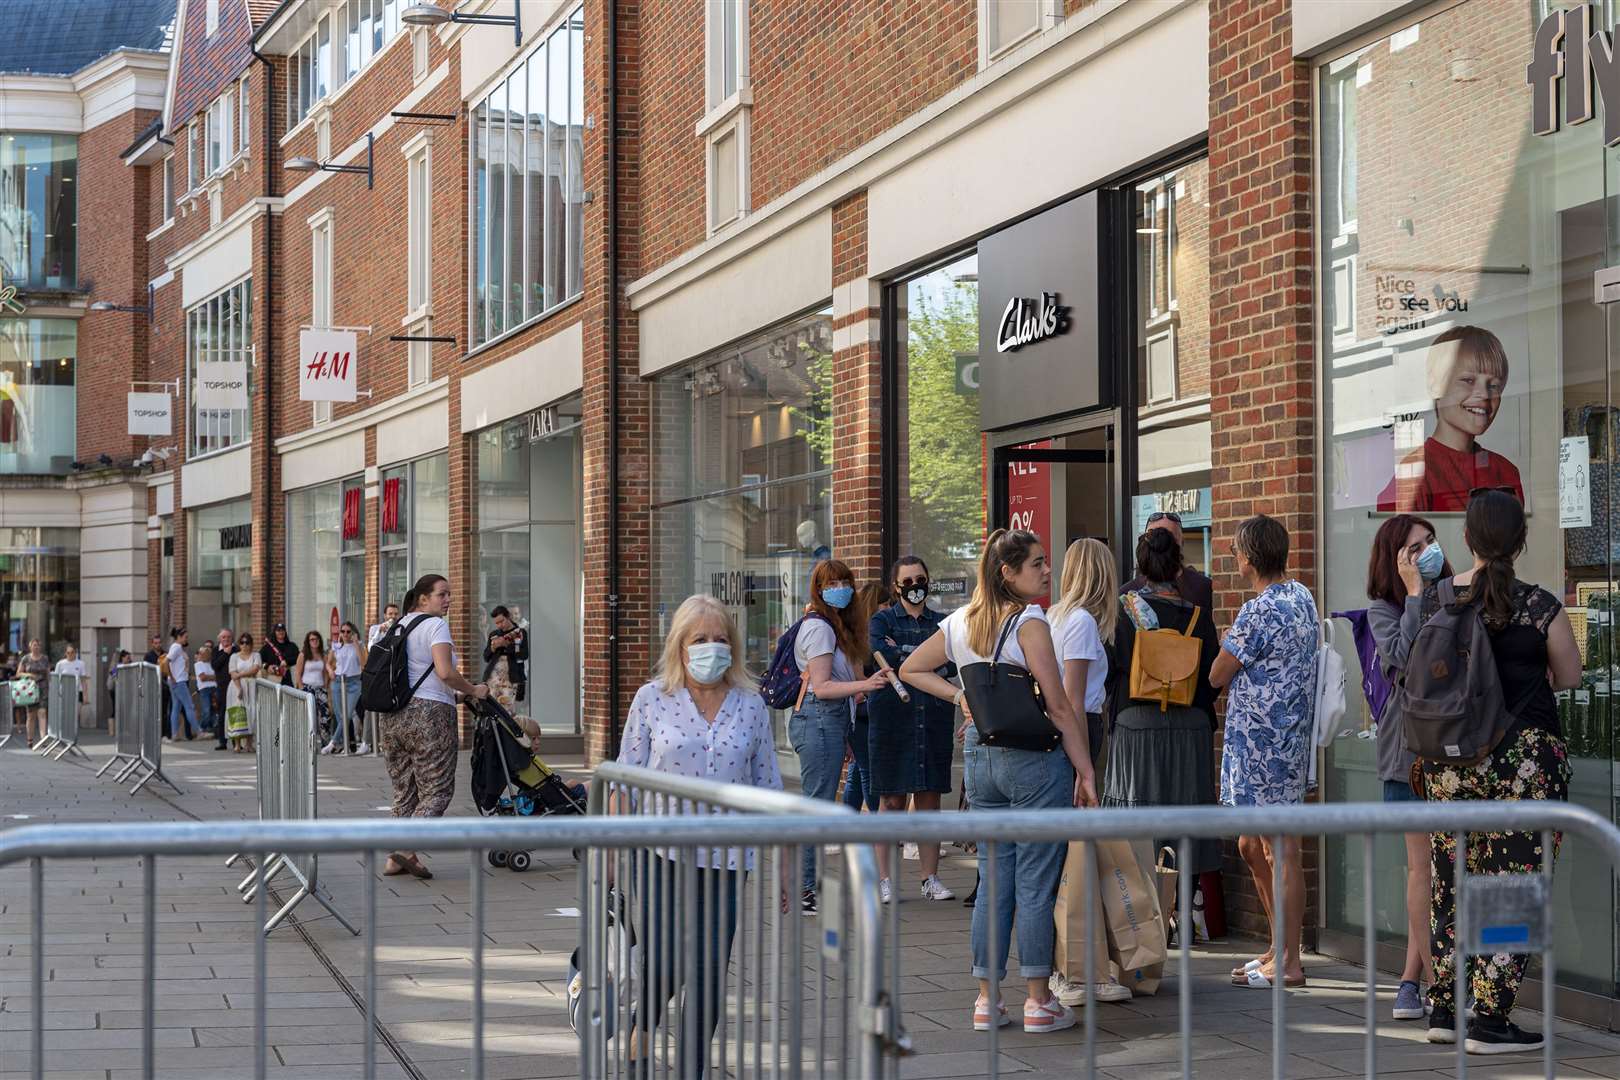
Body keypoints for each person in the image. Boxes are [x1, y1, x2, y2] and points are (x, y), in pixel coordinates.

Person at [900, 529, 1097, 1036]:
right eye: (1037, 564)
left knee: (993, 879)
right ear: (1008, 573)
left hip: (982, 759)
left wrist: (958, 697)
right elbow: (1058, 705)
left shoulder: (960, 621)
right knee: (1035, 882)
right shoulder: (1030, 623)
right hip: (1034, 761)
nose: (1046, 570)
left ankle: (987, 998)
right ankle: (1037, 1001)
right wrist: (1086, 768)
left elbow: (912, 667)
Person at [1418, 491, 1579, 1053]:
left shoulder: (1439, 600)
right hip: (1524, 761)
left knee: (1451, 878)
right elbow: (1571, 676)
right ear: (1521, 541)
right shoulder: (1540, 607)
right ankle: (1489, 1017)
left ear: (1467, 539)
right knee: (1513, 886)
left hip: (1451, 760)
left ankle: (1444, 1006)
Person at [617, 594, 783, 1070]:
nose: (712, 647)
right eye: (700, 639)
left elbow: (768, 785)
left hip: (728, 856)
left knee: (710, 970)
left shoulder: (751, 706)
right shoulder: (652, 699)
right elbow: (626, 775)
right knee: (665, 961)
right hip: (659, 850)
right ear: (680, 647)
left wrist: (792, 865)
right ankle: (643, 1024)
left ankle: (692, 1066)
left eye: (720, 639)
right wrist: (608, 846)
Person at [1209, 515, 1320, 991]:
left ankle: (1290, 961)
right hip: (1281, 742)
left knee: (1279, 849)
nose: (1233, 557)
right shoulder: (1302, 597)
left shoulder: (1258, 611)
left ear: (1249, 557)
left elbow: (1217, 673)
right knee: (1254, 845)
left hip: (1264, 747)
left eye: (1235, 550)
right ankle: (1279, 947)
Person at [1364, 514, 1448, 1020]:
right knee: (1421, 870)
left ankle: (1412, 981)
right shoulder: (1383, 608)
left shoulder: (1454, 595)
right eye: (1415, 548)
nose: (1428, 553)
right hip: (1408, 753)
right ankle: (1429, 985)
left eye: (1431, 543)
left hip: (1457, 746)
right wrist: (1415, 593)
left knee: (1447, 871)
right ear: (1396, 559)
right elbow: (1403, 658)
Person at [1106, 528, 1223, 881]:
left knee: (1137, 827)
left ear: (1141, 568)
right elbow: (1211, 680)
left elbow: (1110, 672)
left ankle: (1143, 917)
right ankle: (1182, 914)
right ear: (1178, 569)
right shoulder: (1197, 617)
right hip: (1190, 728)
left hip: (1136, 727)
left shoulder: (1123, 613)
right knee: (1186, 821)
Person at [1045, 538, 1131, 1006]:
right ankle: (1071, 971)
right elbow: (1074, 700)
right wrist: (1084, 766)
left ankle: (1075, 967)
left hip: (1072, 732)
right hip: (1081, 731)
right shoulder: (1080, 623)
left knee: (1070, 856)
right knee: (1073, 857)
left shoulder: (1057, 617)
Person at [788, 559, 888, 912]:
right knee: (816, 806)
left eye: (845, 581)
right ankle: (802, 888)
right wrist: (868, 683)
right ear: (819, 588)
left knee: (818, 804)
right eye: (832, 583)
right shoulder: (820, 629)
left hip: (826, 722)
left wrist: (843, 731)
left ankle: (805, 885)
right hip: (818, 720)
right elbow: (823, 686)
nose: (841, 588)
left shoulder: (835, 627)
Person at [381, 574, 489, 880]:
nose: (448, 599)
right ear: (422, 598)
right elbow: (445, 672)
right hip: (429, 718)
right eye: (442, 594)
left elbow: (418, 677)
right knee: (437, 790)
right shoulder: (436, 625)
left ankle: (396, 859)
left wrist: (453, 694)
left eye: (449, 594)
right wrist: (472, 690)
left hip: (392, 718)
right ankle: (406, 847)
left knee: (405, 790)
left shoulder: (398, 625)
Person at [868, 556, 957, 904]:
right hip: (894, 719)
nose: (915, 585)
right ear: (896, 586)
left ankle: (929, 878)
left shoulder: (943, 623)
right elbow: (880, 654)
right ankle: (884, 880)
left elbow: (950, 660)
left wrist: (907, 656)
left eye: (920, 578)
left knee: (930, 799)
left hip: (933, 718)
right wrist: (924, 660)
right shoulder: (882, 620)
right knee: (890, 800)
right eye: (908, 580)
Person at [1378, 326, 1524, 512]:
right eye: (1468, 381)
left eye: (1494, 385)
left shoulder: (1505, 471)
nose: (1483, 394)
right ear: (1435, 385)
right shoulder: (1415, 472)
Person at [842, 583, 889, 820]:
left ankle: (844, 827)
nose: (889, 608)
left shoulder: (863, 634)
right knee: (869, 771)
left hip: (863, 711)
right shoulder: (863, 638)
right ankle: (876, 826)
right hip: (863, 711)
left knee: (858, 773)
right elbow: (859, 679)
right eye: (886, 604)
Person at [1122, 511, 1214, 612]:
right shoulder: (1125, 595)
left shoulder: (1204, 588)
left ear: (1181, 543)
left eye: (1168, 539)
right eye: (1154, 538)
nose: (1160, 545)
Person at [482, 605, 529, 711]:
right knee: (492, 710)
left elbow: (524, 654)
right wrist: (493, 648)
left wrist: (506, 645)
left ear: (508, 617)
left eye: (501, 621)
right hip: (493, 679)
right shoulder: (494, 634)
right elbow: (486, 657)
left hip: (511, 679)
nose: (499, 625)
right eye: (496, 623)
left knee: (507, 710)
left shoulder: (520, 633)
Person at [327, 621, 364, 754]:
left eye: (348, 631)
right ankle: (346, 744)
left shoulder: (359, 645)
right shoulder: (336, 646)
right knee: (340, 715)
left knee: (347, 714)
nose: (345, 634)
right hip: (338, 680)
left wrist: (355, 645)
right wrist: (330, 670)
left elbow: (363, 663)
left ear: (353, 633)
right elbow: (328, 663)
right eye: (343, 631)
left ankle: (333, 742)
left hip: (354, 682)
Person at [295, 631, 334, 745]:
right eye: (312, 639)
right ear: (308, 641)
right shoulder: (303, 655)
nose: (314, 641)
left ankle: (325, 742)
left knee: (325, 716)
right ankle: (308, 743)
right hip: (307, 688)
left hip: (320, 688)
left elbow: (325, 672)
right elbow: (297, 673)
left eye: (316, 639)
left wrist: (326, 686)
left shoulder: (323, 655)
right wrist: (302, 688)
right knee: (308, 716)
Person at [164, 628, 201, 741]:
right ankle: (199, 731)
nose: (186, 639)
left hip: (177, 680)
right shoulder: (177, 647)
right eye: (185, 637)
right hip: (178, 681)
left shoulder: (177, 648)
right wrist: (172, 677)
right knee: (189, 705)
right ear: (179, 637)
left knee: (176, 707)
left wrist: (171, 677)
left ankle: (175, 734)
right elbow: (166, 661)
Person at [225, 634, 260, 753]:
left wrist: (240, 674)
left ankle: (249, 744)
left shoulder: (256, 655)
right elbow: (232, 673)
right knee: (237, 712)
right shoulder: (234, 657)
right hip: (236, 686)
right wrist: (239, 688)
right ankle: (237, 744)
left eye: (247, 642)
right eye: (242, 642)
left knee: (252, 713)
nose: (245, 645)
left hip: (252, 685)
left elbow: (255, 669)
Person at [17, 639, 50, 744]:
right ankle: (30, 739)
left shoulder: (45, 658)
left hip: (43, 688)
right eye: (34, 645)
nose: (36, 647)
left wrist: (51, 685)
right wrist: (29, 675)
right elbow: (18, 673)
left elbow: (48, 673)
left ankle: (43, 740)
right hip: (30, 690)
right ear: (30, 647)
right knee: (31, 715)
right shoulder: (25, 659)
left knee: (42, 712)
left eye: (38, 645)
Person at [211, 629, 234, 749]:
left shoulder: (236, 650)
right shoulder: (216, 650)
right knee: (222, 714)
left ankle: (236, 742)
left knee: (235, 712)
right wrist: (225, 654)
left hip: (235, 686)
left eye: (228, 637)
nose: (226, 639)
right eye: (224, 637)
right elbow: (215, 666)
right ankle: (222, 742)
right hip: (222, 686)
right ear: (219, 638)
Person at [194, 644, 219, 744]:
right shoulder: (198, 664)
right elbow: (202, 678)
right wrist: (212, 677)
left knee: (214, 710)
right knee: (206, 710)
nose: (203, 655)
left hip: (214, 688)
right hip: (204, 689)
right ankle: (201, 729)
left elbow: (217, 676)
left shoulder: (212, 664)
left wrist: (211, 677)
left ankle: (212, 730)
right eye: (201, 653)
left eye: (206, 653)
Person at [145, 634, 171, 724]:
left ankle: (163, 733)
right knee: (153, 710)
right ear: (152, 644)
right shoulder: (148, 656)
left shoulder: (166, 655)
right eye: (156, 643)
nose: (158, 645)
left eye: (159, 643)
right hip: (153, 686)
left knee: (164, 710)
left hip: (164, 686)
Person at [107, 649, 131, 736]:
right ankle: (114, 731)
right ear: (123, 658)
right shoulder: (118, 666)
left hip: (119, 690)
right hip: (115, 690)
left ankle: (114, 731)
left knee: (117, 709)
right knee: (116, 708)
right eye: (128, 658)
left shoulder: (126, 666)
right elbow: (113, 675)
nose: (129, 660)